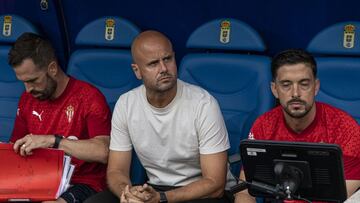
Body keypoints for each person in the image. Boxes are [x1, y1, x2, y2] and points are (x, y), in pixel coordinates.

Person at [85, 30, 236, 203]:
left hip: (202, 193)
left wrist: (162, 198)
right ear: (137, 71)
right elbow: (116, 171)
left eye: (167, 59)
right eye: (153, 64)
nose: (164, 69)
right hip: (155, 189)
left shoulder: (203, 104)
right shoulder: (126, 104)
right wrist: (127, 194)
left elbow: (214, 184)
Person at [234, 49, 360, 203]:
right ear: (274, 89)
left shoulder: (345, 127)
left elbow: (338, 197)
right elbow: (245, 191)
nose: (295, 93)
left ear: (316, 86)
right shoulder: (264, 125)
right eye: (286, 85)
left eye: (304, 84)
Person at [8, 33, 111, 203]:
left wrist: (53, 141)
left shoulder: (88, 97)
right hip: (37, 179)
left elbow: (104, 152)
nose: (28, 89)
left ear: (53, 69)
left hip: (82, 182)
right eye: (23, 82)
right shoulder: (27, 99)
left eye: (33, 80)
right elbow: (14, 147)